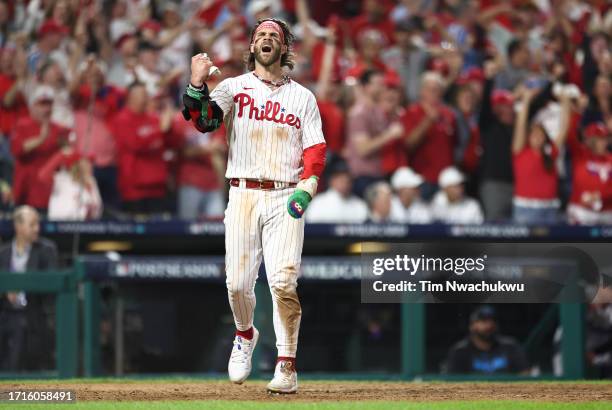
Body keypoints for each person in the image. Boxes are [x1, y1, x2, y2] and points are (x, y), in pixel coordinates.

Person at [184, 18, 326, 393]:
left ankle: (286, 365)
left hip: (284, 194)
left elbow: (315, 148)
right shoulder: (234, 87)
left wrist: (306, 188)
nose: (266, 39)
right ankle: (245, 334)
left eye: (273, 36)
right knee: (237, 285)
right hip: (243, 192)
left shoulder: (303, 97)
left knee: (283, 281)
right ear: (251, 47)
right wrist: (196, 84)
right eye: (260, 35)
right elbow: (204, 121)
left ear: (284, 48)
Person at [0, 206, 58, 371]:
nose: (37, 229)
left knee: (22, 327)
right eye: (32, 225)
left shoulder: (46, 250)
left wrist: (21, 287)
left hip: (35, 313)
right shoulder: (2, 253)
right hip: (6, 314)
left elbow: (50, 284)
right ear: (18, 226)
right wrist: (5, 292)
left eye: (37, 224)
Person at [112, 82, 174, 215]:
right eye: (142, 95)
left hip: (157, 186)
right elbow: (135, 144)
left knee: (159, 230)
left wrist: (170, 127)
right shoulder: (122, 119)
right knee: (136, 231)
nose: (146, 98)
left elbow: (168, 143)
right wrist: (160, 131)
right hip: (134, 188)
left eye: (146, 94)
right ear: (130, 97)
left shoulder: (153, 119)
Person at [512, 87, 571, 225]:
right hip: (526, 209)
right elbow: (520, 125)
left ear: (545, 137)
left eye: (540, 134)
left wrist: (565, 102)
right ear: (528, 137)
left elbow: (564, 128)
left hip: (549, 209)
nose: (537, 137)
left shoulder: (551, 153)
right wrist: (526, 100)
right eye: (533, 134)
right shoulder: (520, 151)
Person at [11, 85, 70, 212]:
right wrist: (40, 139)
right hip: (26, 192)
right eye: (42, 104)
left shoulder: (59, 129)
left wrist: (65, 146)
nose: (47, 109)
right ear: (32, 106)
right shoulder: (21, 124)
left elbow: (68, 153)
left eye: (49, 104)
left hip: (51, 194)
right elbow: (17, 149)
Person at [345, 69, 404, 197]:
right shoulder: (359, 114)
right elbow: (363, 149)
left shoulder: (377, 111)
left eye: (383, 84)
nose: (382, 87)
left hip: (378, 174)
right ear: (366, 87)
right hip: (363, 177)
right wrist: (390, 135)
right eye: (378, 84)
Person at [401, 71, 457, 200]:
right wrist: (427, 121)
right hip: (421, 178)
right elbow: (408, 144)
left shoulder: (449, 115)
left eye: (436, 90)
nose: (433, 93)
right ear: (421, 91)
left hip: (445, 180)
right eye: (429, 89)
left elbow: (454, 145)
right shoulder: (411, 112)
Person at [445, 305, 529, 375]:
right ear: (472, 326)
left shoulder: (510, 346)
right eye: (483, 321)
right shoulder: (460, 351)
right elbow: (453, 383)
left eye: (492, 320)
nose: (489, 325)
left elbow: (525, 374)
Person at [566, 122, 612, 225]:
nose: (603, 143)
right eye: (599, 139)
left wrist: (600, 195)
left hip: (608, 212)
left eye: (604, 139)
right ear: (590, 140)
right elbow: (570, 134)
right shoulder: (580, 155)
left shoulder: (610, 159)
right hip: (582, 211)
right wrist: (576, 111)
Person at [306, 158, 368, 224]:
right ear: (331, 181)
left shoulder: (359, 205)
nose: (344, 183)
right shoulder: (318, 202)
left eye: (347, 180)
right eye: (340, 180)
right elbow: (311, 228)